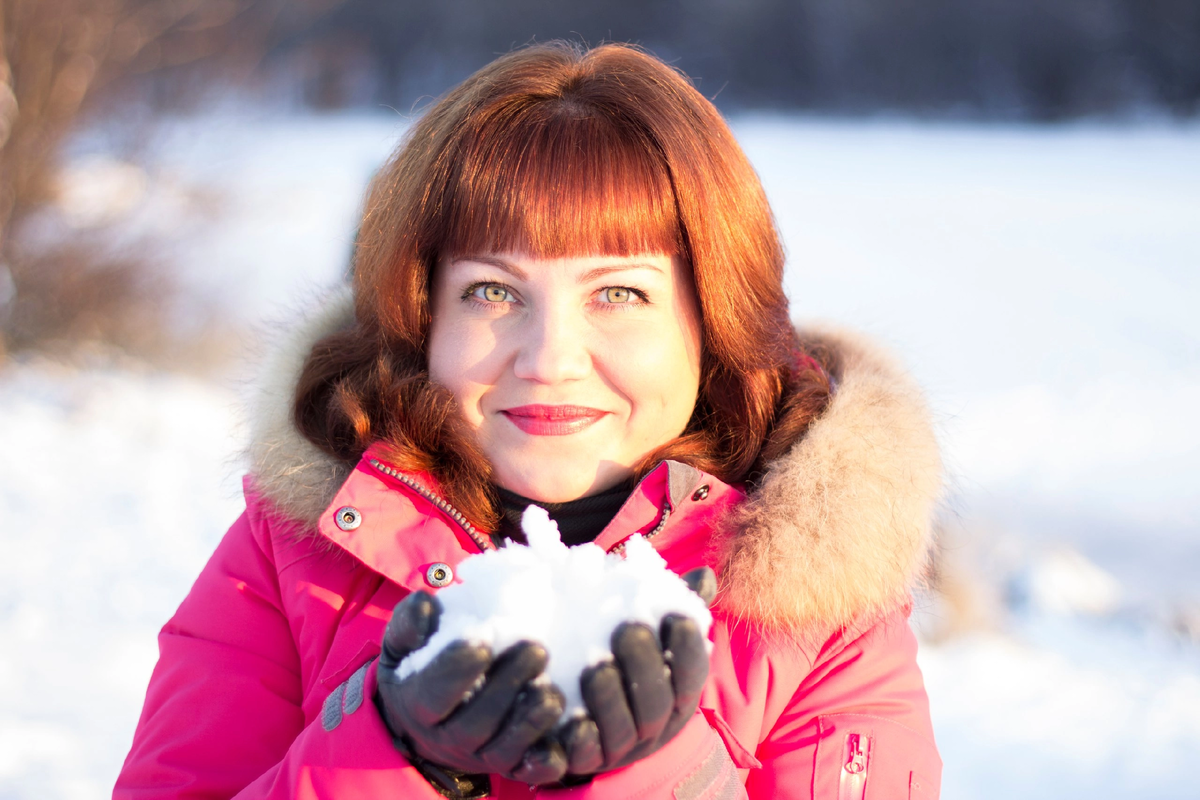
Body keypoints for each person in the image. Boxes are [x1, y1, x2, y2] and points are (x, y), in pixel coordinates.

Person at [115, 41, 943, 799]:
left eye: (618, 294)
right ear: (423, 318)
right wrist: (390, 755)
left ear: (711, 323)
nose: (550, 357)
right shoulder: (298, 548)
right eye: (493, 292)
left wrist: (659, 775)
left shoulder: (815, 599)